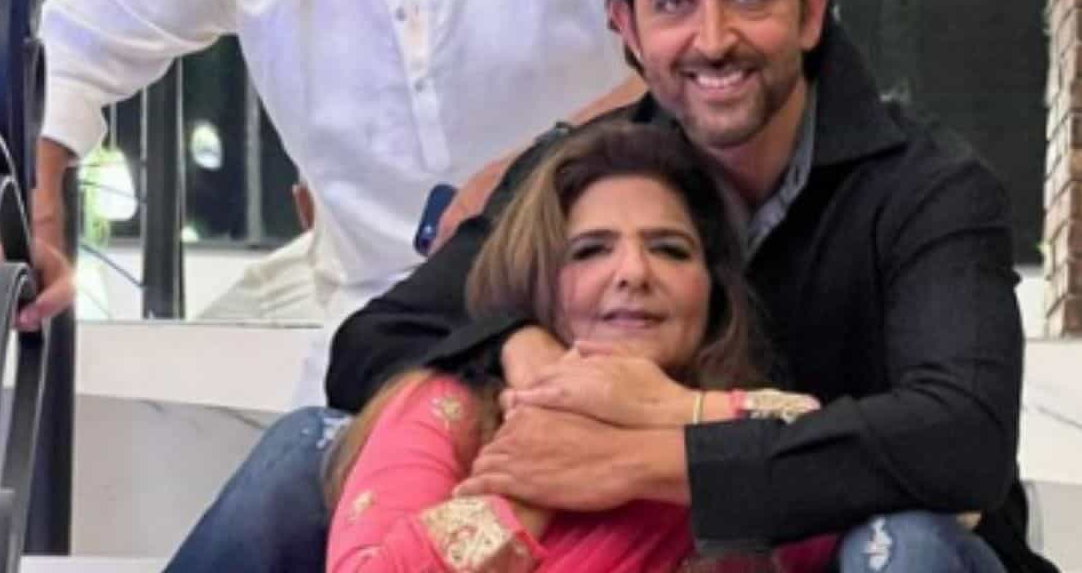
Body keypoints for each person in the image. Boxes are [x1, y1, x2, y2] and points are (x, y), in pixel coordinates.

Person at [320, 0, 1059, 571]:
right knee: (307, 449)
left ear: (811, 8)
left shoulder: (930, 189)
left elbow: (963, 439)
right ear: (628, 29)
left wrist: (646, 448)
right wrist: (523, 352)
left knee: (902, 543)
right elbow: (374, 340)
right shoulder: (587, 176)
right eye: (674, 4)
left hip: (877, 555)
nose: (712, 40)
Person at [25, 0, 650, 386]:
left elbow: (691, 50)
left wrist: (535, 170)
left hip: (609, 306)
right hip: (382, 341)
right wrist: (40, 218)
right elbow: (70, 47)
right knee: (282, 484)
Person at [323, 122, 845, 571]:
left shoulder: (742, 438)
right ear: (539, 281)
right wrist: (528, 484)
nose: (634, 273)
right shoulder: (451, 411)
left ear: (712, 289)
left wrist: (667, 412)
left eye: (670, 250)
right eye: (591, 251)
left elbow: (842, 466)